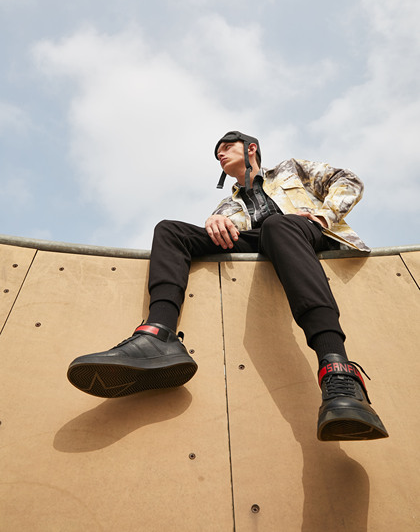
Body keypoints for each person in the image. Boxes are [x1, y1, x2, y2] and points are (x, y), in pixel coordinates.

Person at [67, 131, 388, 442]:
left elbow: (347, 180)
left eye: (226, 146)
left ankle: (339, 372)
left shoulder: (290, 169)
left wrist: (323, 216)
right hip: (258, 242)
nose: (219, 153)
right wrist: (214, 221)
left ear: (251, 148)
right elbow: (221, 230)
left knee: (278, 225)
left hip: (303, 232)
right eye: (217, 151)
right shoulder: (228, 203)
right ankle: (157, 336)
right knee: (170, 231)